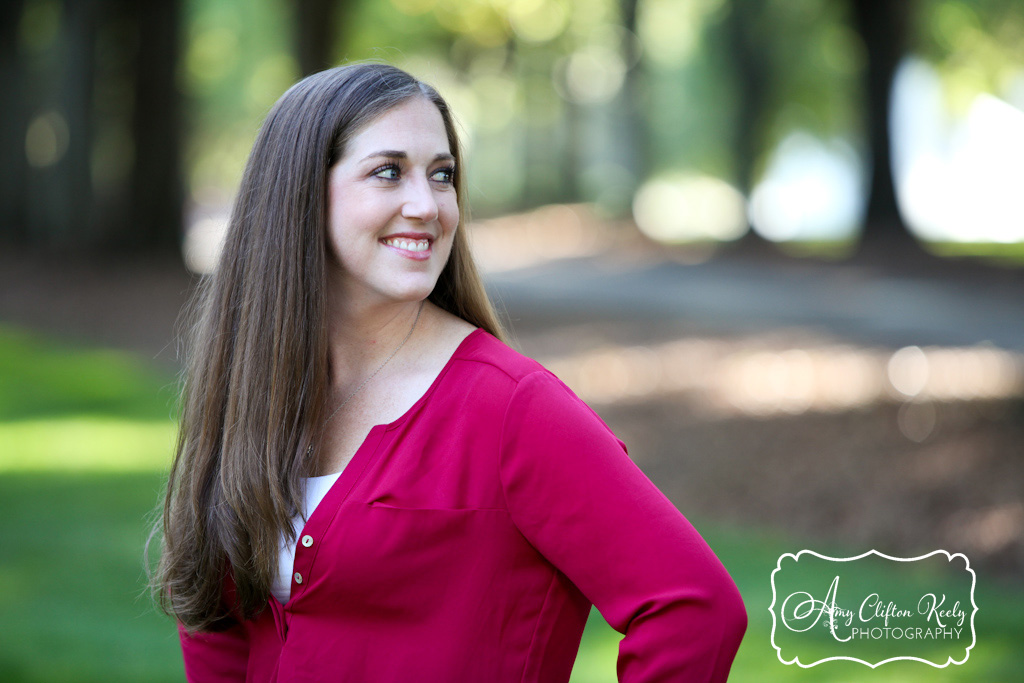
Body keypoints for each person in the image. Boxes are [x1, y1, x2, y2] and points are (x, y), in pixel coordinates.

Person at [153, 62, 747, 683]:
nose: (428, 206)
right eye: (389, 172)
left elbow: (692, 610)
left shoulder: (511, 407)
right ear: (299, 194)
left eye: (443, 175)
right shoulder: (253, 395)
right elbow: (217, 625)